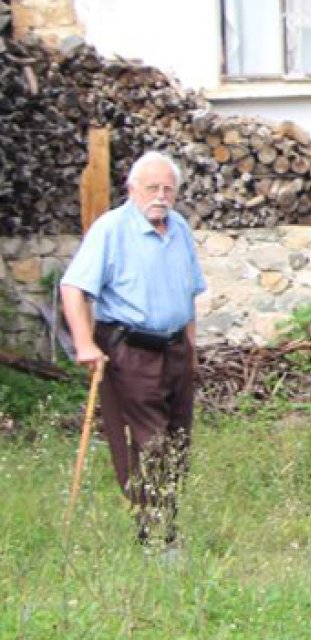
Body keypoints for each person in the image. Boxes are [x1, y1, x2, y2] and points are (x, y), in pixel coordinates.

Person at [60, 151, 206, 548]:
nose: (160, 196)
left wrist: (190, 347)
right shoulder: (112, 229)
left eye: (167, 189)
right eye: (151, 188)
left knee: (178, 440)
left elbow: (189, 292)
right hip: (130, 350)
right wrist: (85, 343)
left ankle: (165, 521)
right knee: (150, 441)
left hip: (174, 349)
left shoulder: (179, 229)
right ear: (131, 189)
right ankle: (155, 537)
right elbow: (73, 287)